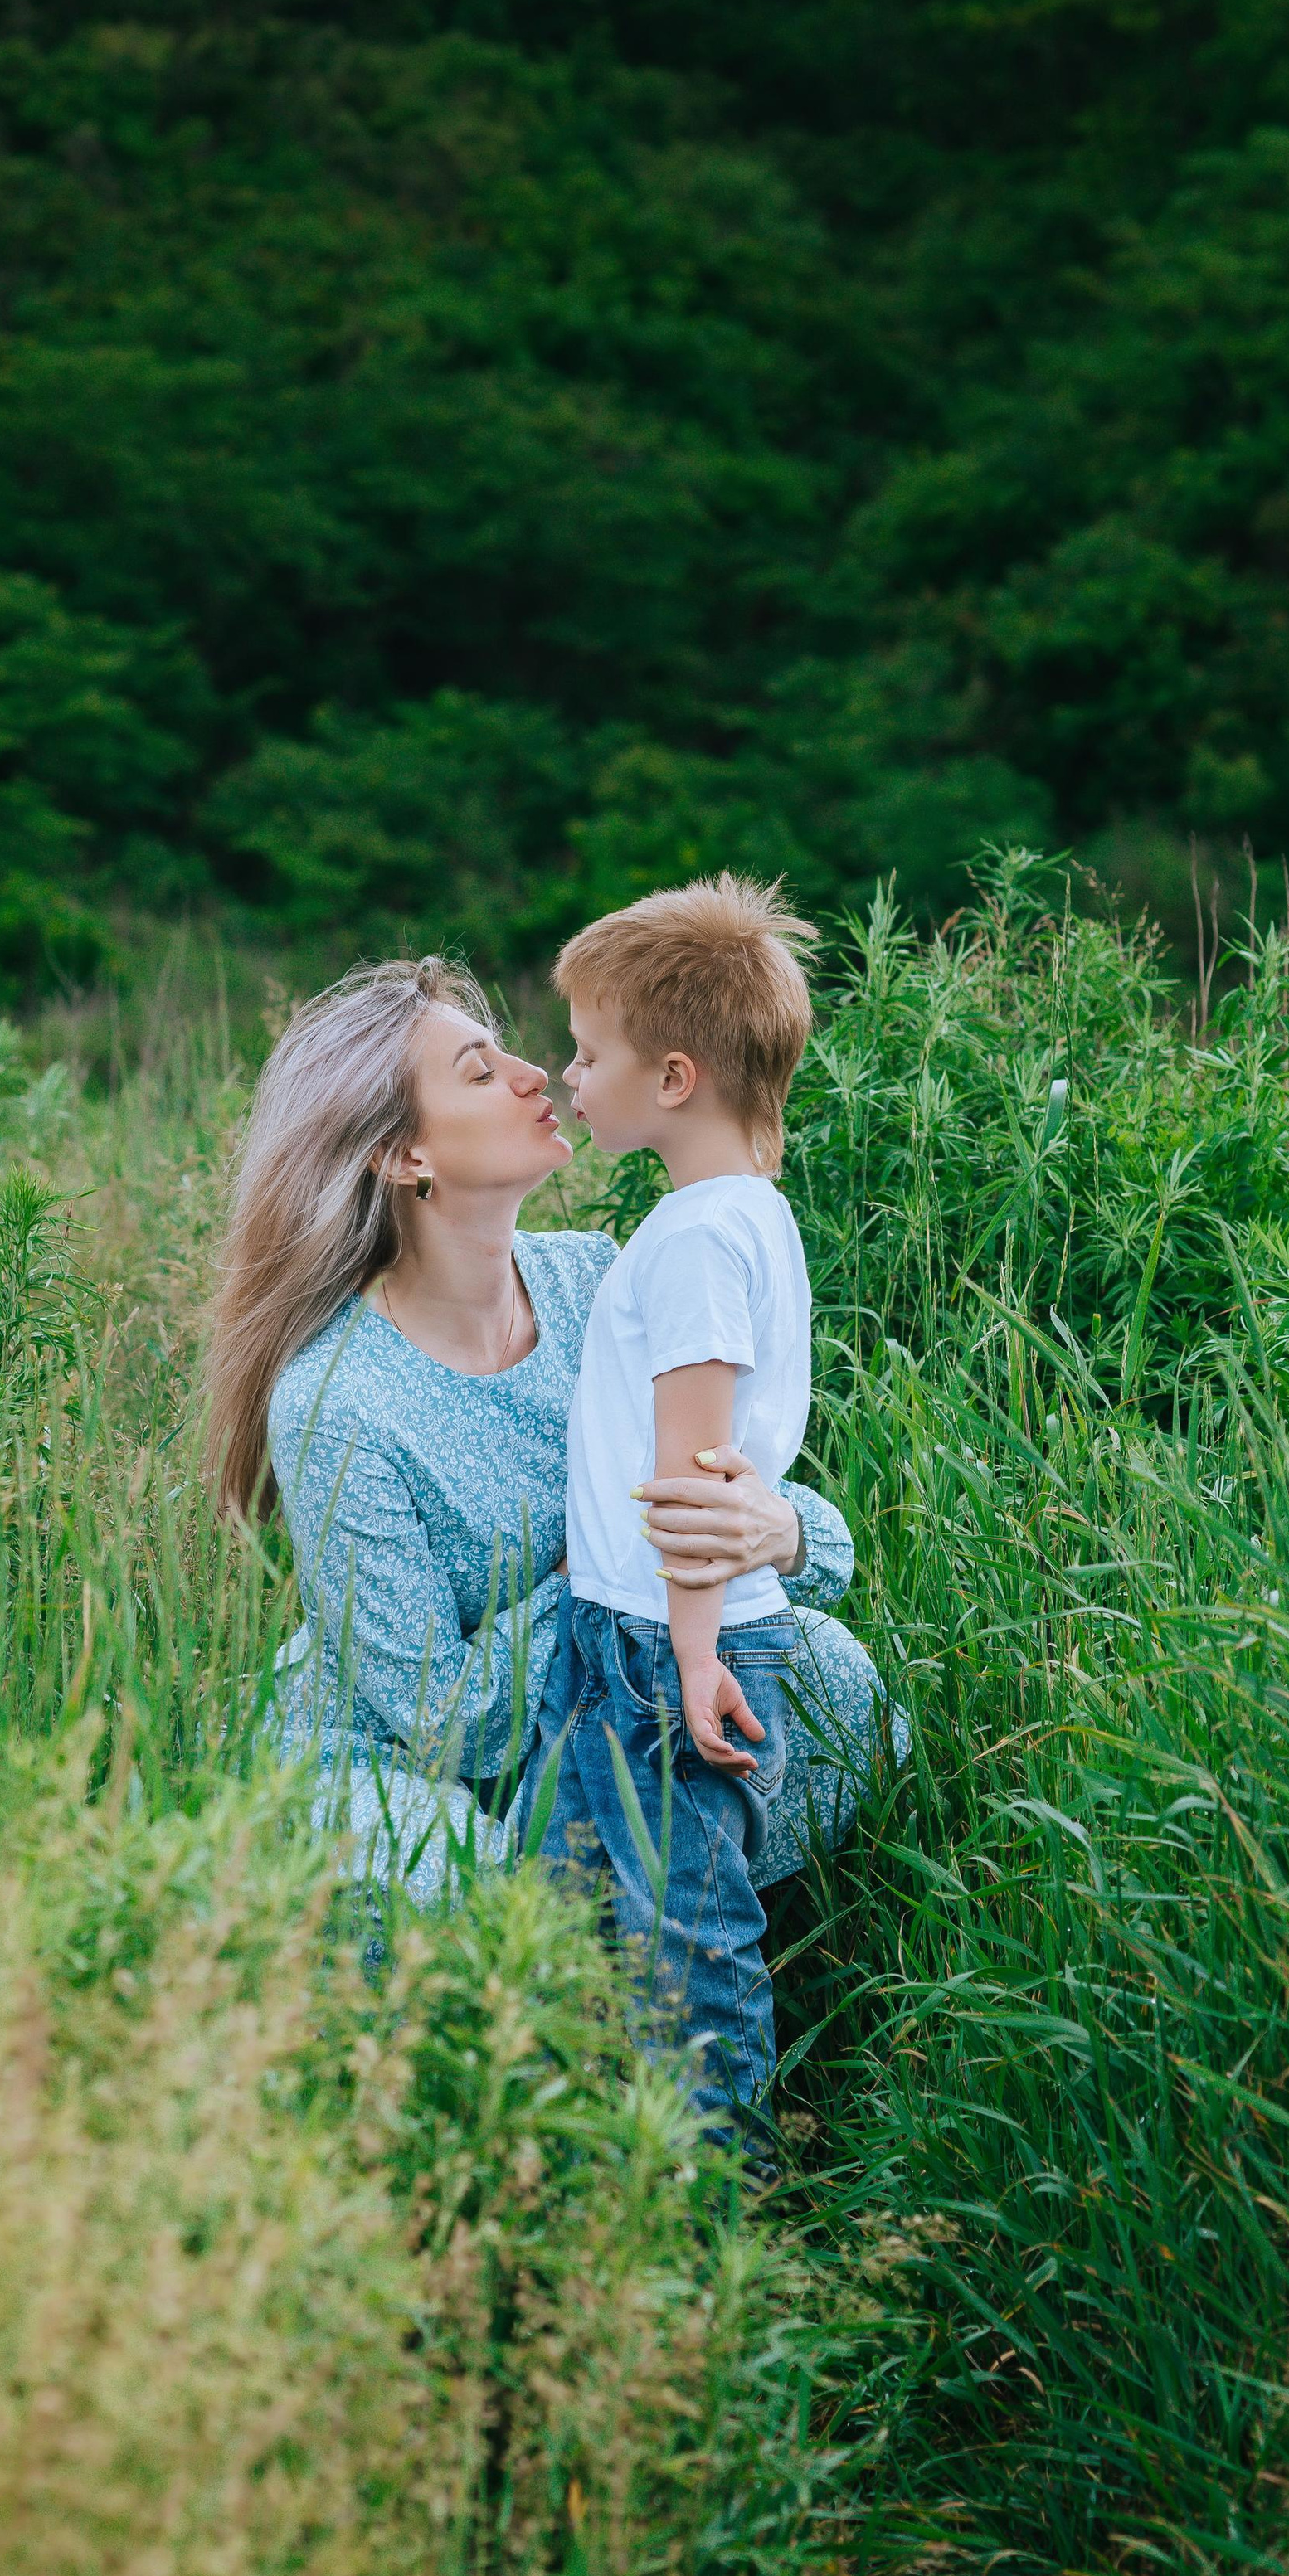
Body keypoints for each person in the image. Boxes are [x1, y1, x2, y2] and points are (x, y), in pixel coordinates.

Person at [200, 954, 895, 1904]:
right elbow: (452, 1723)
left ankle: (628, 1928)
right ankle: (589, 1941)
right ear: (405, 1157)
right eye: (480, 1072)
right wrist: (597, 1573)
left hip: (602, 1703)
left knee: (834, 1684)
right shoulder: (339, 1402)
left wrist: (783, 1532)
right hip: (393, 1765)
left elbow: (773, 1536)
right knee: (445, 1880)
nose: (536, 1075)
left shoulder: (594, 1280)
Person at [518, 876, 824, 2139]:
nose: (569, 1076)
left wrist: (694, 1656)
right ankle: (595, 2163)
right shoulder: (736, 1212)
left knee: (686, 1945)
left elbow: (698, 1477)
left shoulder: (698, 1237)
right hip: (632, 1634)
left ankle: (719, 2200)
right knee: (573, 1913)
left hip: (664, 1646)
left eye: (591, 1055)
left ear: (676, 1077)